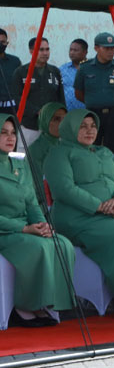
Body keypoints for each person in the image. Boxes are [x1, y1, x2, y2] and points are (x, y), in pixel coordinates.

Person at [44, 109, 114, 317]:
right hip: (77, 217)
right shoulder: (59, 153)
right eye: (83, 126)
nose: (90, 131)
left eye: (93, 126)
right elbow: (64, 189)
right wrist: (100, 207)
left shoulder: (104, 152)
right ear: (70, 128)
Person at [0, 114, 76, 327]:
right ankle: (24, 307)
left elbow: (32, 202)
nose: (10, 138)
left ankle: (49, 303)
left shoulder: (19, 164)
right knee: (38, 247)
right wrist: (24, 229)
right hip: (6, 231)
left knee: (62, 244)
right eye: (3, 133)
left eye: (13, 133)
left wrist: (43, 225)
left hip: (26, 227)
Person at [73, 32, 114, 154]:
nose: (111, 51)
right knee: (90, 149)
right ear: (96, 48)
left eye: (112, 48)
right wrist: (94, 102)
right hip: (93, 115)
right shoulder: (85, 68)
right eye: (106, 48)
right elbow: (78, 93)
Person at [11, 37, 64, 147]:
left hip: (51, 127)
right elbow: (17, 97)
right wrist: (37, 111)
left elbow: (60, 97)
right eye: (41, 50)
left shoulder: (55, 72)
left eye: (47, 49)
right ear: (31, 51)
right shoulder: (20, 72)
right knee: (26, 159)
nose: (45, 53)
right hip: (29, 126)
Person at [26, 101, 66, 205]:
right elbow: (38, 186)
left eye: (65, 119)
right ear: (45, 120)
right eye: (56, 119)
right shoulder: (35, 149)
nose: (62, 123)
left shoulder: (66, 145)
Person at [59, 38, 88, 111]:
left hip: (87, 113)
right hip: (67, 114)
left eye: (75, 50)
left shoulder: (92, 69)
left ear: (85, 52)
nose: (72, 53)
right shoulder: (62, 69)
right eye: (70, 50)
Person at [0, 28, 22, 116]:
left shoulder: (15, 61)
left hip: (12, 108)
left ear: (7, 43)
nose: (0, 44)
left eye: (2, 42)